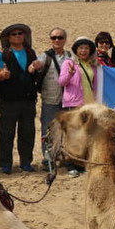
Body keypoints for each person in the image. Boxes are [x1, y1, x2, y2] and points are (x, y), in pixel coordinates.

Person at [0, 24, 42, 174]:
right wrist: (2, 75)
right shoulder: (1, 55)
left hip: (28, 100)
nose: (17, 36)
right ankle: (5, 164)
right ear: (8, 38)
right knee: (6, 133)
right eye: (14, 34)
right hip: (8, 101)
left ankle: (26, 162)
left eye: (20, 33)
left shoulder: (31, 52)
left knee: (27, 132)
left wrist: (35, 69)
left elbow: (35, 76)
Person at [58, 37, 98, 177]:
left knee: (85, 136)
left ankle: (81, 164)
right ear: (76, 50)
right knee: (72, 136)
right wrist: (69, 74)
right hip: (73, 104)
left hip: (88, 105)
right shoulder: (69, 63)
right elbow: (61, 82)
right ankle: (70, 165)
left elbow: (95, 86)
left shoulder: (92, 65)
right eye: (81, 48)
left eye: (86, 48)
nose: (83, 51)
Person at [36, 28, 73, 169]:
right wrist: (34, 66)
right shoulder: (45, 56)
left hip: (68, 100)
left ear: (65, 39)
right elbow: (36, 64)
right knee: (48, 129)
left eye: (60, 37)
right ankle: (48, 159)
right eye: (54, 37)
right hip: (50, 99)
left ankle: (63, 156)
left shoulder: (70, 56)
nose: (57, 40)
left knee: (66, 130)